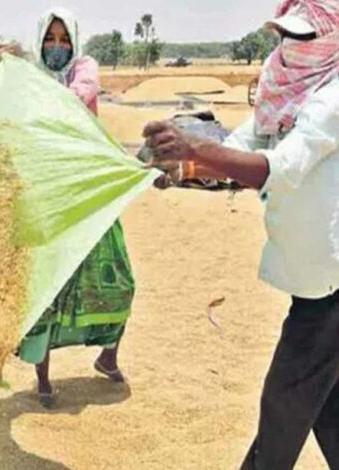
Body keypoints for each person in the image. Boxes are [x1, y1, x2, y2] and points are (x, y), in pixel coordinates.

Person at [143, 2, 339, 469]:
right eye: (286, 37)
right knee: (326, 409)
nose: (293, 49)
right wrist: (183, 167)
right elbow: (243, 148)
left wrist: (196, 148)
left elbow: (282, 167)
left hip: (333, 284)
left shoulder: (331, 98)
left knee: (284, 407)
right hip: (311, 278)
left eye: (306, 39)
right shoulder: (280, 91)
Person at [0, 8, 133, 409]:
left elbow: (79, 95)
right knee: (45, 290)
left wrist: (19, 83)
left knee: (120, 282)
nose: (58, 47)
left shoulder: (84, 69)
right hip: (42, 199)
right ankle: (43, 380)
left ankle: (107, 356)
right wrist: (0, 88)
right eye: (50, 39)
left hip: (87, 195)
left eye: (64, 40)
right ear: (39, 41)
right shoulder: (28, 81)